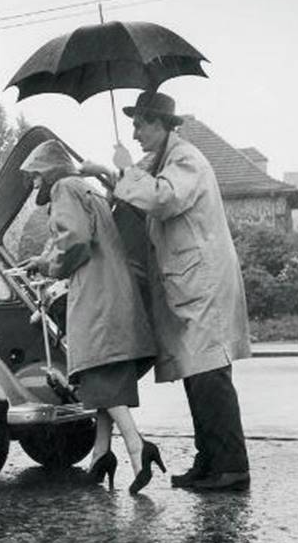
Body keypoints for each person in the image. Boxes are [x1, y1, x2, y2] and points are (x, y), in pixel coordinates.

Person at [80, 91, 252, 491]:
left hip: (202, 282)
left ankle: (230, 467)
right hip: (189, 282)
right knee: (197, 374)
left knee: (209, 375)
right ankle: (209, 462)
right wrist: (109, 174)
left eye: (141, 123)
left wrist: (122, 169)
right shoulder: (163, 161)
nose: (135, 131)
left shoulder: (185, 158)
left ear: (161, 124)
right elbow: (142, 201)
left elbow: (163, 197)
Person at [21, 139, 165, 494]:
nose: (34, 184)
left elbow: (75, 241)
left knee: (96, 371)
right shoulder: (89, 190)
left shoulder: (64, 188)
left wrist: (52, 268)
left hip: (95, 292)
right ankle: (101, 455)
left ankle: (137, 446)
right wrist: (43, 261)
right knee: (104, 375)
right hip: (114, 288)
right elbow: (83, 235)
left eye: (35, 176)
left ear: (50, 170)